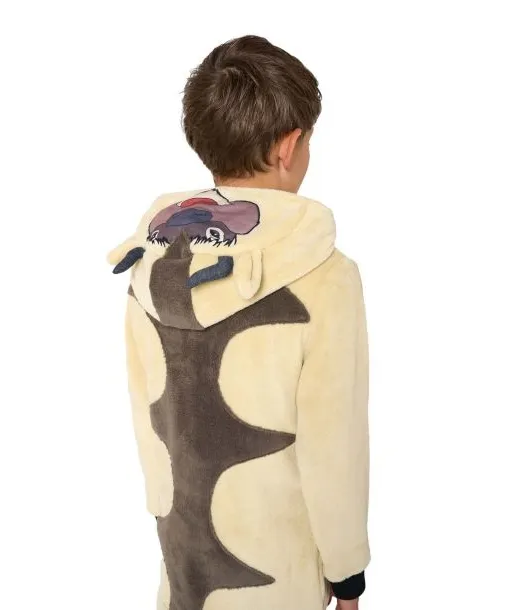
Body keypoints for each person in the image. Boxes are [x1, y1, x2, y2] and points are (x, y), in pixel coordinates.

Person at [108, 35, 370, 610]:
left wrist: (166, 520)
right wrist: (347, 572)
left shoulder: (149, 261)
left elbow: (147, 414)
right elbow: (335, 445)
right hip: (278, 574)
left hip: (185, 563)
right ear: (289, 146)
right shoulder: (325, 276)